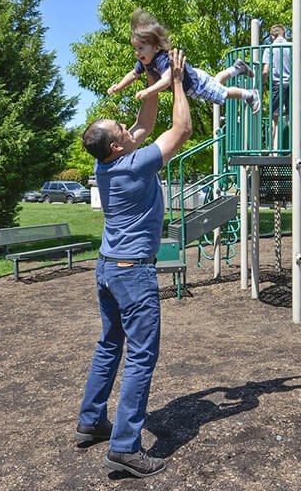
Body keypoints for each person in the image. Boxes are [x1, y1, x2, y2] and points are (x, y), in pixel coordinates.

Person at [75, 48, 193, 478]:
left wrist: (151, 75)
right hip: (132, 271)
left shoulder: (111, 163)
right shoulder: (135, 166)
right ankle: (125, 447)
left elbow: (145, 122)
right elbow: (181, 129)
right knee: (142, 355)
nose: (129, 128)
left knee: (110, 344)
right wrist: (177, 80)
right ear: (119, 144)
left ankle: (91, 421)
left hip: (107, 267)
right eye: (122, 129)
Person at [108, 9, 260, 113]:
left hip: (196, 83)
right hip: (193, 83)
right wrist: (119, 87)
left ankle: (249, 94)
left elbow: (167, 80)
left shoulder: (162, 59)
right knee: (217, 82)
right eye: (135, 49)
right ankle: (237, 68)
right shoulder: (145, 61)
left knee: (223, 93)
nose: (137, 53)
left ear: (155, 47)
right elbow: (134, 74)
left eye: (141, 48)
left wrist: (148, 91)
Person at [261, 23, 292, 147]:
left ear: (272, 36)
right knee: (291, 117)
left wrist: (262, 85)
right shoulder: (292, 47)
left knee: (274, 118)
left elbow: (265, 71)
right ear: (284, 34)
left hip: (276, 84)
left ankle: (272, 149)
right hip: (291, 84)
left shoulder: (270, 49)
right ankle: (293, 148)